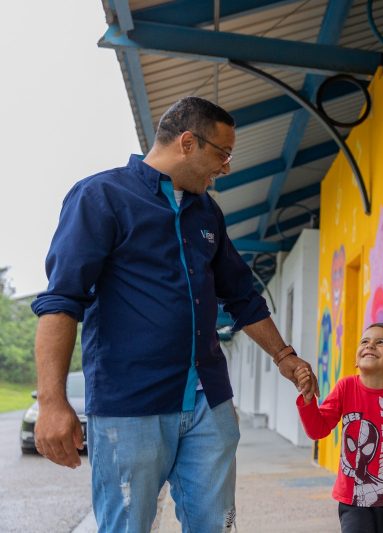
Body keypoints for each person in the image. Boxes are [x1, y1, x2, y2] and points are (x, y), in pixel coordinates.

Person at [30, 96, 319, 533]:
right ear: (187, 142)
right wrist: (52, 401)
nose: (226, 167)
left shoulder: (207, 213)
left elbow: (241, 295)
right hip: (131, 406)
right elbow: (61, 301)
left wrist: (284, 356)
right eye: (222, 154)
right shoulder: (102, 197)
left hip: (209, 403)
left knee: (217, 526)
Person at [294, 322, 383, 533]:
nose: (370, 345)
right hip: (353, 499)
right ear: (356, 359)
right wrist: (308, 401)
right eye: (365, 341)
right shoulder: (346, 387)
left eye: (380, 342)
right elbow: (318, 430)